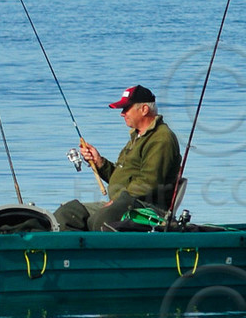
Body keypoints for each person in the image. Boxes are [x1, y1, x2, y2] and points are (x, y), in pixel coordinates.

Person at [53, 85, 182, 232]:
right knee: (66, 214)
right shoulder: (138, 136)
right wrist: (99, 162)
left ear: (144, 109)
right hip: (123, 202)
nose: (122, 113)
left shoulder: (161, 139)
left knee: (101, 219)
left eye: (126, 108)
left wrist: (118, 200)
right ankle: (68, 252)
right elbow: (122, 177)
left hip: (146, 208)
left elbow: (149, 182)